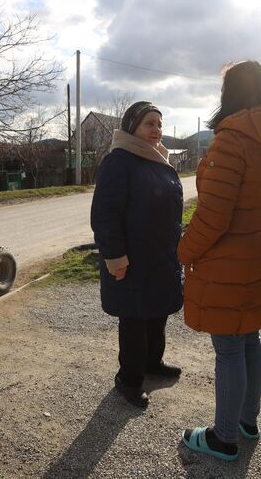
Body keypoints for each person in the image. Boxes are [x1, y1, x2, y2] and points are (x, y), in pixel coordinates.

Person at [178, 61, 261, 460]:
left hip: (232, 255)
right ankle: (247, 421)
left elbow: (213, 216)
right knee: (249, 336)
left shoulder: (232, 139)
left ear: (229, 92)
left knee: (229, 346)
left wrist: (184, 251)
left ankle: (223, 438)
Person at [90, 101, 184, 408]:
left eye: (159, 123)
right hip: (131, 258)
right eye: (149, 123)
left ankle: (151, 364)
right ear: (133, 127)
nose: (156, 129)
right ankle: (128, 379)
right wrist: (114, 256)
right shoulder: (119, 161)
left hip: (159, 257)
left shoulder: (160, 161)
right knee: (133, 319)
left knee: (157, 314)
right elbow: (105, 213)